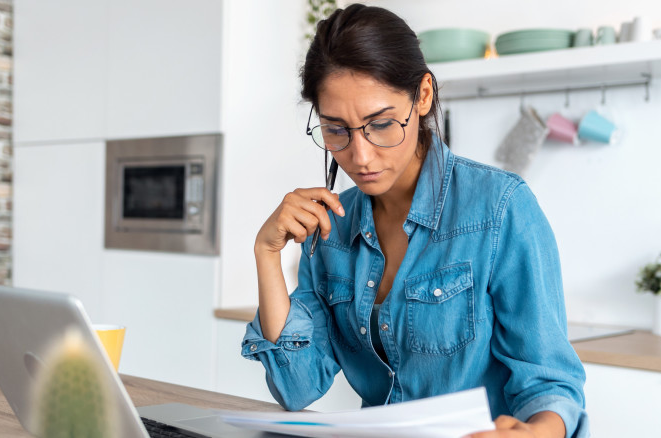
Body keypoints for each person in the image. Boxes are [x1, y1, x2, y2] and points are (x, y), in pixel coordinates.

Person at [241, 4, 588, 438]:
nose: (360, 156)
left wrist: (539, 432)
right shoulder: (329, 231)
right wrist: (266, 253)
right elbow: (296, 387)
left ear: (422, 96)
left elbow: (550, 382)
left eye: (381, 124)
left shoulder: (500, 208)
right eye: (336, 130)